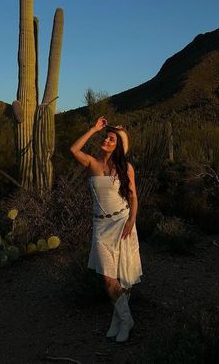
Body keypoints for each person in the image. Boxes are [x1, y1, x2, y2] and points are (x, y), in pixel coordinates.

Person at [70, 116, 142, 343]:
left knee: (123, 276)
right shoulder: (92, 163)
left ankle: (118, 321)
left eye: (112, 139)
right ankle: (127, 319)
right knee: (108, 280)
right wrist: (93, 128)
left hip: (121, 223)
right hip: (100, 226)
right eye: (107, 137)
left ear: (119, 146)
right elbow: (73, 149)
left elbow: (133, 196)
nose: (107, 140)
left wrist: (132, 221)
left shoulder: (125, 167)